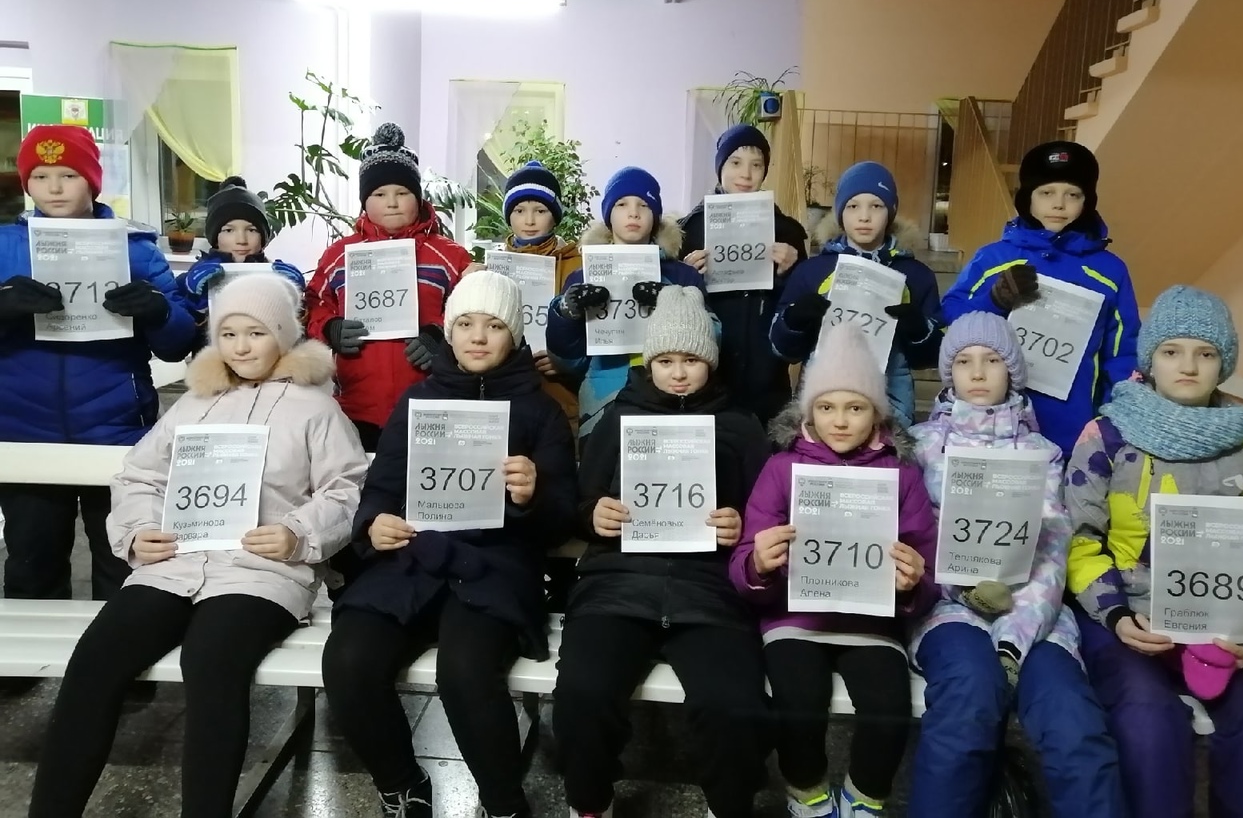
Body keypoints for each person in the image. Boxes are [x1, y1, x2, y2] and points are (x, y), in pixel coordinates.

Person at [26, 273, 368, 818]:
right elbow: (140, 476)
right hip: (174, 564)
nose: (241, 347)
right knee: (94, 661)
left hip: (263, 572)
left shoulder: (315, 409)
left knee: (212, 662)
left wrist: (298, 532)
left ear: (283, 334)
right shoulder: (193, 405)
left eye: (255, 333)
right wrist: (138, 531)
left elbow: (346, 489)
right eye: (228, 334)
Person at [322, 271, 578, 818]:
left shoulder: (541, 409)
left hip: (494, 566)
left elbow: (561, 521)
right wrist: (374, 525)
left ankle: (504, 803)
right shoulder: (417, 399)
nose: (478, 336)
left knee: (466, 671)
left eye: (494, 325)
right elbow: (382, 485)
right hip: (411, 557)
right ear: (449, 331)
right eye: (464, 324)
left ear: (515, 334)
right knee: (348, 660)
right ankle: (401, 784)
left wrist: (534, 492)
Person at [553, 286, 771, 818]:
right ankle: (590, 803)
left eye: (691, 360)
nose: (678, 373)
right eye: (666, 360)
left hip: (710, 590)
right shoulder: (616, 419)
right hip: (617, 582)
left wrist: (742, 525)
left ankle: (730, 807)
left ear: (710, 362)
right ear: (648, 363)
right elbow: (581, 500)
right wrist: (594, 514)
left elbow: (768, 512)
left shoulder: (741, 426)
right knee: (583, 692)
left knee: (736, 705)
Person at [1066, 285, 1243, 818]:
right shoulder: (1106, 437)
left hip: (1216, 629)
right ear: (1150, 360)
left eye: (1205, 353)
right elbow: (1079, 539)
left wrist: (1242, 631)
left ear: (1224, 363)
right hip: (1125, 619)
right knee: (1150, 725)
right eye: (1171, 351)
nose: (1188, 365)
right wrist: (1117, 616)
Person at [907, 311, 1127, 818]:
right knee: (967, 701)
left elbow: (1053, 551)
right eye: (964, 361)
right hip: (949, 610)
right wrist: (963, 592)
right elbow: (916, 538)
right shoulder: (920, 447)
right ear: (949, 372)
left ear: (1012, 371)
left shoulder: (1042, 454)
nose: (978, 373)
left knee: (1073, 721)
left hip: (1035, 614)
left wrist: (1013, 638)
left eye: (992, 360)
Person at [730, 321, 937, 818]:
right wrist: (758, 564)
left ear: (877, 413)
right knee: (797, 702)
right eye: (826, 407)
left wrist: (912, 583)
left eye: (855, 408)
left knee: (888, 710)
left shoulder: (901, 474)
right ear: (809, 412)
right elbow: (743, 561)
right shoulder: (782, 468)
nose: (840, 421)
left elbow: (926, 564)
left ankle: (865, 797)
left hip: (871, 623)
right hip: (794, 619)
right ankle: (806, 790)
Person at [0, 125, 197, 603]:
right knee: (31, 563)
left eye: (68, 174)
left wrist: (158, 312)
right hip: (24, 431)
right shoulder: (4, 247)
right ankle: (35, 649)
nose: (54, 187)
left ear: (92, 180)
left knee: (122, 560)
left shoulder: (136, 250)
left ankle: (121, 647)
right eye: (40, 176)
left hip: (117, 430)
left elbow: (178, 345)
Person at [941, 140, 1140, 455]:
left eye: (1072, 194)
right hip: (992, 430)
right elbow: (949, 321)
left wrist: (1112, 418)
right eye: (1046, 193)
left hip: (1075, 432)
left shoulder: (1109, 271)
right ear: (1027, 198)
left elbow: (1122, 353)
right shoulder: (994, 259)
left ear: (1087, 201)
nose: (1059, 204)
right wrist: (994, 302)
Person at [306, 122, 472, 453]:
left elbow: (471, 310)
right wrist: (330, 328)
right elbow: (313, 305)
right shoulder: (339, 255)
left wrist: (440, 336)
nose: (392, 203)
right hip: (356, 406)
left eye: (403, 193)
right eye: (379, 194)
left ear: (418, 197)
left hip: (431, 400)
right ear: (364, 201)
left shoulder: (450, 256)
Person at [770, 161, 942, 429]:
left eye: (876, 206)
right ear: (839, 212)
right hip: (824, 406)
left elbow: (930, 358)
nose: (864, 216)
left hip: (891, 409)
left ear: (891, 212)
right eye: (852, 206)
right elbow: (781, 349)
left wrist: (919, 329)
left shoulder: (917, 275)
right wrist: (793, 320)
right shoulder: (812, 271)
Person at [545, 166, 710, 443]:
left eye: (643, 205)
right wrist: (565, 313)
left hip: (672, 400)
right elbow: (567, 362)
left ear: (655, 216)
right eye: (621, 204)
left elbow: (712, 342)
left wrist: (673, 303)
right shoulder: (582, 277)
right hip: (602, 404)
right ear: (608, 215)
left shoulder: (683, 276)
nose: (633, 213)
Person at [679, 124, 809, 426]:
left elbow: (800, 306)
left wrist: (790, 272)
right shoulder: (688, 230)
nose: (746, 174)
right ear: (720, 168)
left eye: (756, 165)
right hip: (708, 371)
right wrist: (687, 276)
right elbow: (674, 306)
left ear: (765, 171)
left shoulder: (787, 231)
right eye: (735, 163)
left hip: (767, 374)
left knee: (767, 445)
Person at [494, 160, 584, 426]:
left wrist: (567, 361)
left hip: (562, 398)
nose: (529, 220)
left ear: (554, 215)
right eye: (519, 210)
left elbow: (597, 330)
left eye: (540, 210)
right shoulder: (492, 269)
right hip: (504, 393)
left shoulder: (580, 265)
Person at [175, 176, 306, 349]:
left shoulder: (276, 274)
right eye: (229, 230)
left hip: (267, 361)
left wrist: (296, 297)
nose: (241, 240)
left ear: (263, 237)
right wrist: (194, 298)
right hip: (214, 363)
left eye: (252, 230)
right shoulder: (195, 278)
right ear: (215, 237)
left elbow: (295, 333)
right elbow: (178, 340)